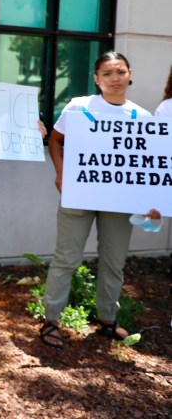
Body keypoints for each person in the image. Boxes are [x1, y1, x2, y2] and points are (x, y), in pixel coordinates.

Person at [39, 51, 161, 348]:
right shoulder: (79, 107)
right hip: (80, 194)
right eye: (107, 73)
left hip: (120, 201)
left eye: (120, 72)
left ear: (130, 73)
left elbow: (148, 165)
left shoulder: (142, 117)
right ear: (96, 79)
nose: (114, 79)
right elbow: (55, 140)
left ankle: (108, 320)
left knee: (114, 262)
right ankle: (51, 320)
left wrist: (155, 201)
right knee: (66, 258)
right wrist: (60, 173)